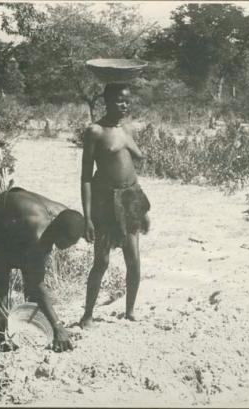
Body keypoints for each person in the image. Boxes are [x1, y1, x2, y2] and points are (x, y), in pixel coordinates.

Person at [0, 187, 84, 352]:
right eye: (68, 242)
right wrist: (58, 326)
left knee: (29, 280)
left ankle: (27, 328)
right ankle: (1, 339)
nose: (67, 248)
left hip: (15, 219)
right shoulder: (37, 235)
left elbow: (77, 221)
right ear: (59, 232)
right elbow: (38, 285)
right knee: (1, 282)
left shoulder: (61, 213)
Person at [79, 82, 150, 328]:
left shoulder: (124, 129)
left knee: (134, 258)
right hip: (105, 201)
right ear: (106, 101)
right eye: (120, 100)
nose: (125, 105)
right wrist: (87, 216)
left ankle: (130, 311)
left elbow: (138, 156)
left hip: (130, 198)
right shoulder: (95, 131)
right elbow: (86, 176)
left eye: (128, 100)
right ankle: (87, 315)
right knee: (102, 261)